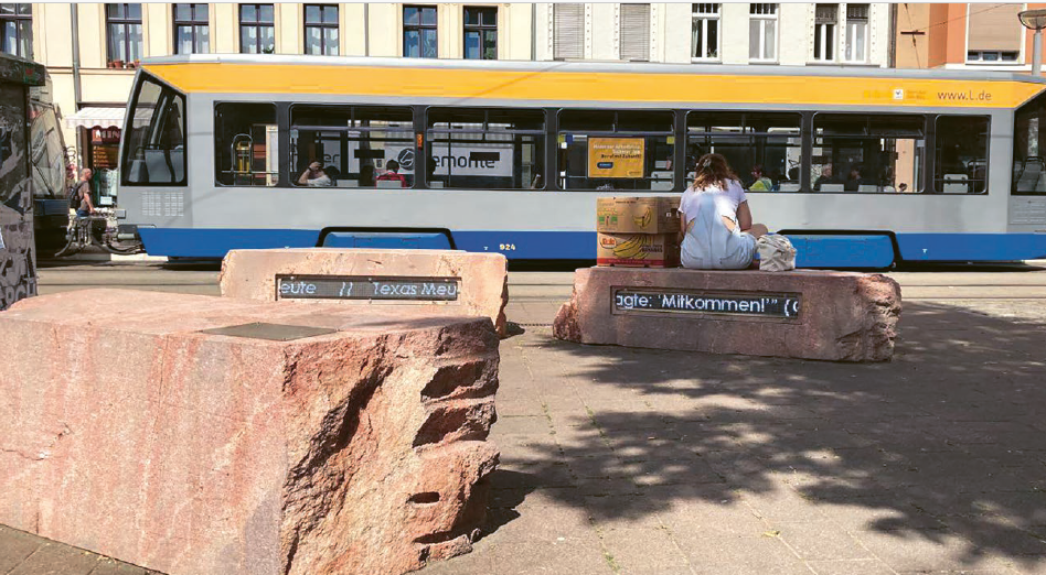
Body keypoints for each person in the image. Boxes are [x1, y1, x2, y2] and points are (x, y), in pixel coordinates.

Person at [679, 153, 768, 270]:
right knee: (761, 228)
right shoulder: (735, 186)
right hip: (732, 260)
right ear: (724, 168)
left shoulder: (688, 192)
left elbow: (683, 231)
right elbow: (746, 225)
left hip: (692, 260)